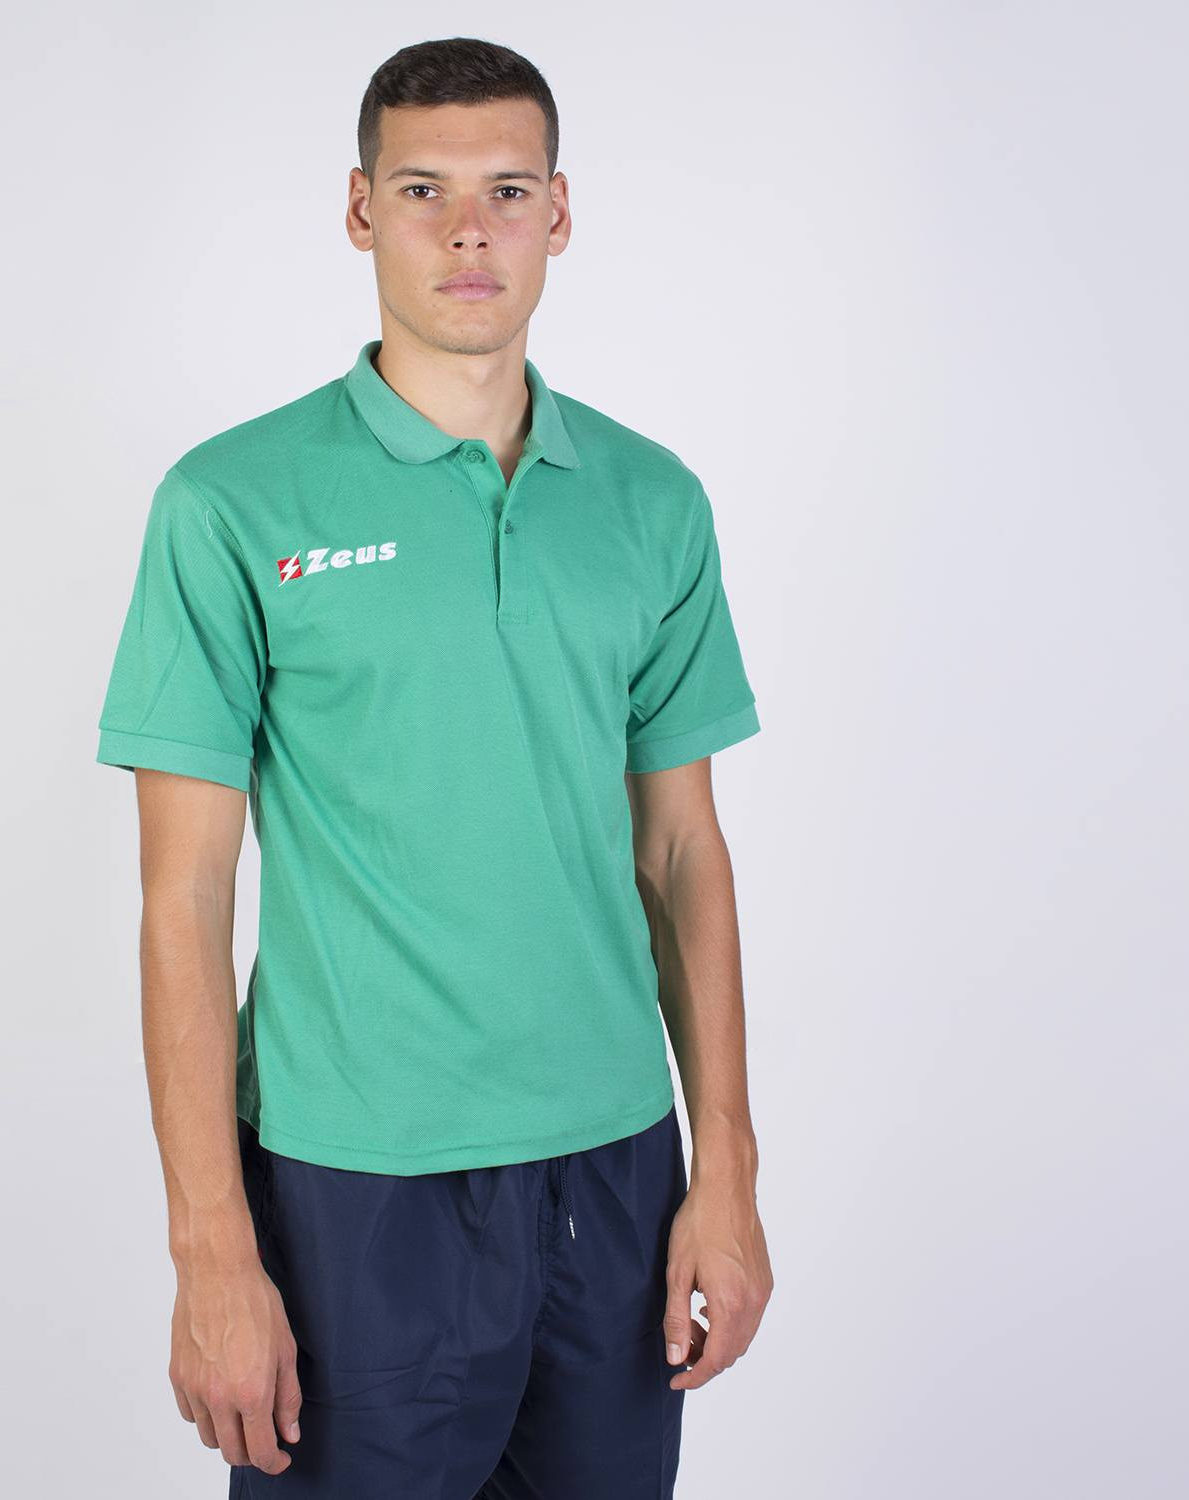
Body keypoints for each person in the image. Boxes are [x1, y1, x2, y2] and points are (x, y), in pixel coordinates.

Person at [95, 34, 773, 1498]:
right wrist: (211, 1250)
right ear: (360, 210)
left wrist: (726, 1168)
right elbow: (182, 899)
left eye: (507, 190)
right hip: (355, 1181)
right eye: (423, 190)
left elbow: (682, 853)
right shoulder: (231, 502)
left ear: (559, 212)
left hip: (614, 1166)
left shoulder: (652, 501)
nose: (470, 230)